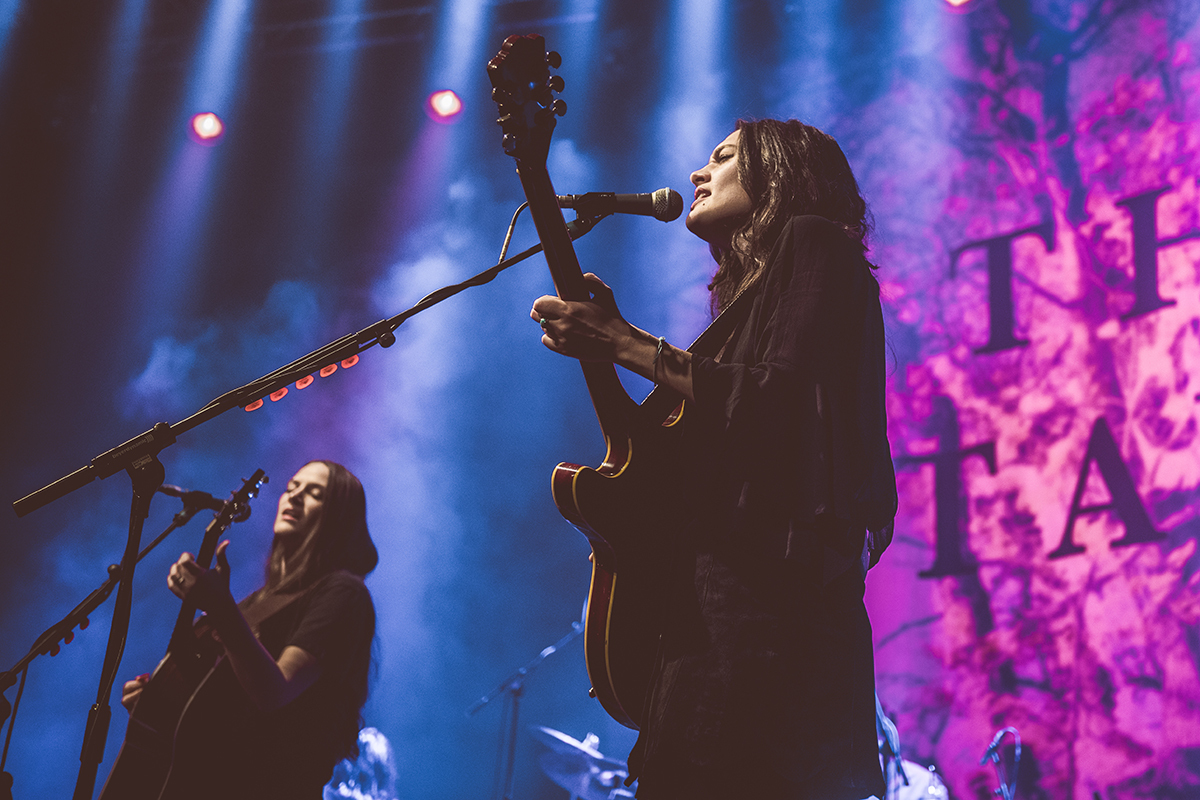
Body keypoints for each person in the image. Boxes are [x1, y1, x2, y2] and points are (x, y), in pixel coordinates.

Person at [530, 119, 897, 800]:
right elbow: (716, 445)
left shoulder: (813, 241)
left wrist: (629, 345)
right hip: (722, 633)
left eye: (722, 157)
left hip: (767, 638)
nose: (699, 173)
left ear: (780, 174)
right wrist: (621, 347)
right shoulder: (752, 302)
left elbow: (778, 406)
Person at [115, 460, 378, 799]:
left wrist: (221, 610)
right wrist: (161, 703)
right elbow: (223, 712)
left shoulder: (344, 593)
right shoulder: (257, 602)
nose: (294, 498)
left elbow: (275, 692)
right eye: (291, 488)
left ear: (340, 518)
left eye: (314, 494)